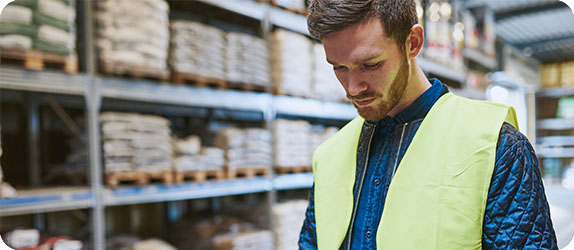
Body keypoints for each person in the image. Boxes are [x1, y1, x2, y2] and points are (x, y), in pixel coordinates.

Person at [298, 0, 558, 249]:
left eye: (371, 65)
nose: (353, 88)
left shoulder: (497, 146)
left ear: (413, 42)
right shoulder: (329, 156)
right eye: (339, 67)